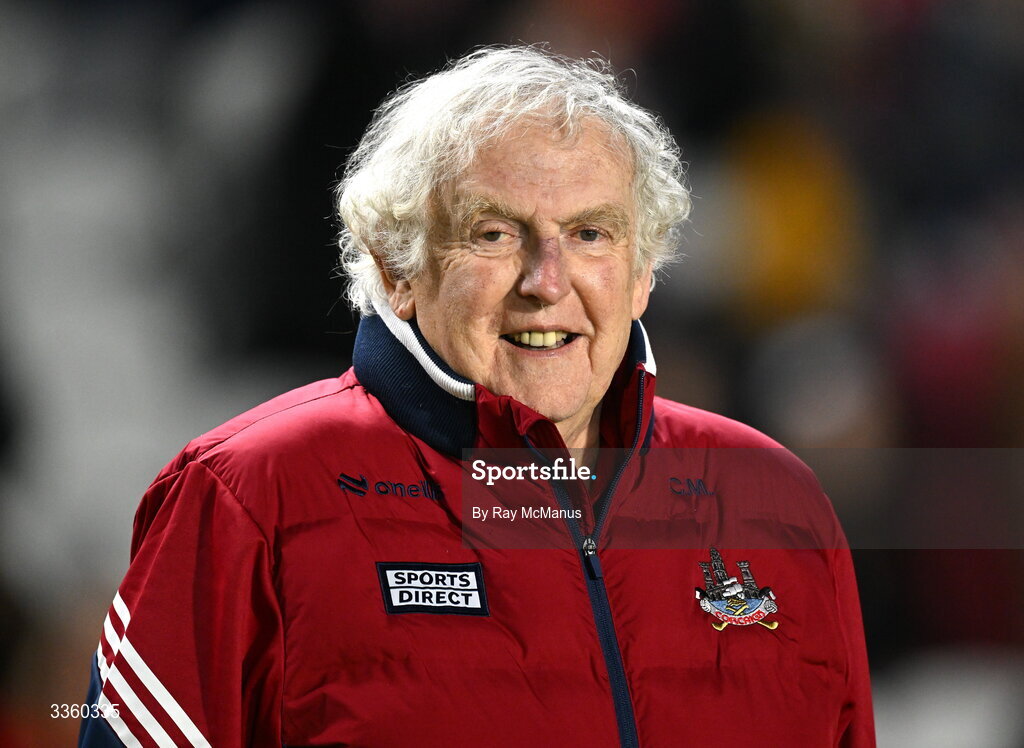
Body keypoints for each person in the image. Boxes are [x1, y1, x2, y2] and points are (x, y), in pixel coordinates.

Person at [79, 46, 874, 747]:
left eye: (592, 234)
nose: (547, 281)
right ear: (396, 270)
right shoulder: (246, 494)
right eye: (494, 234)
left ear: (643, 274)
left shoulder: (776, 502)